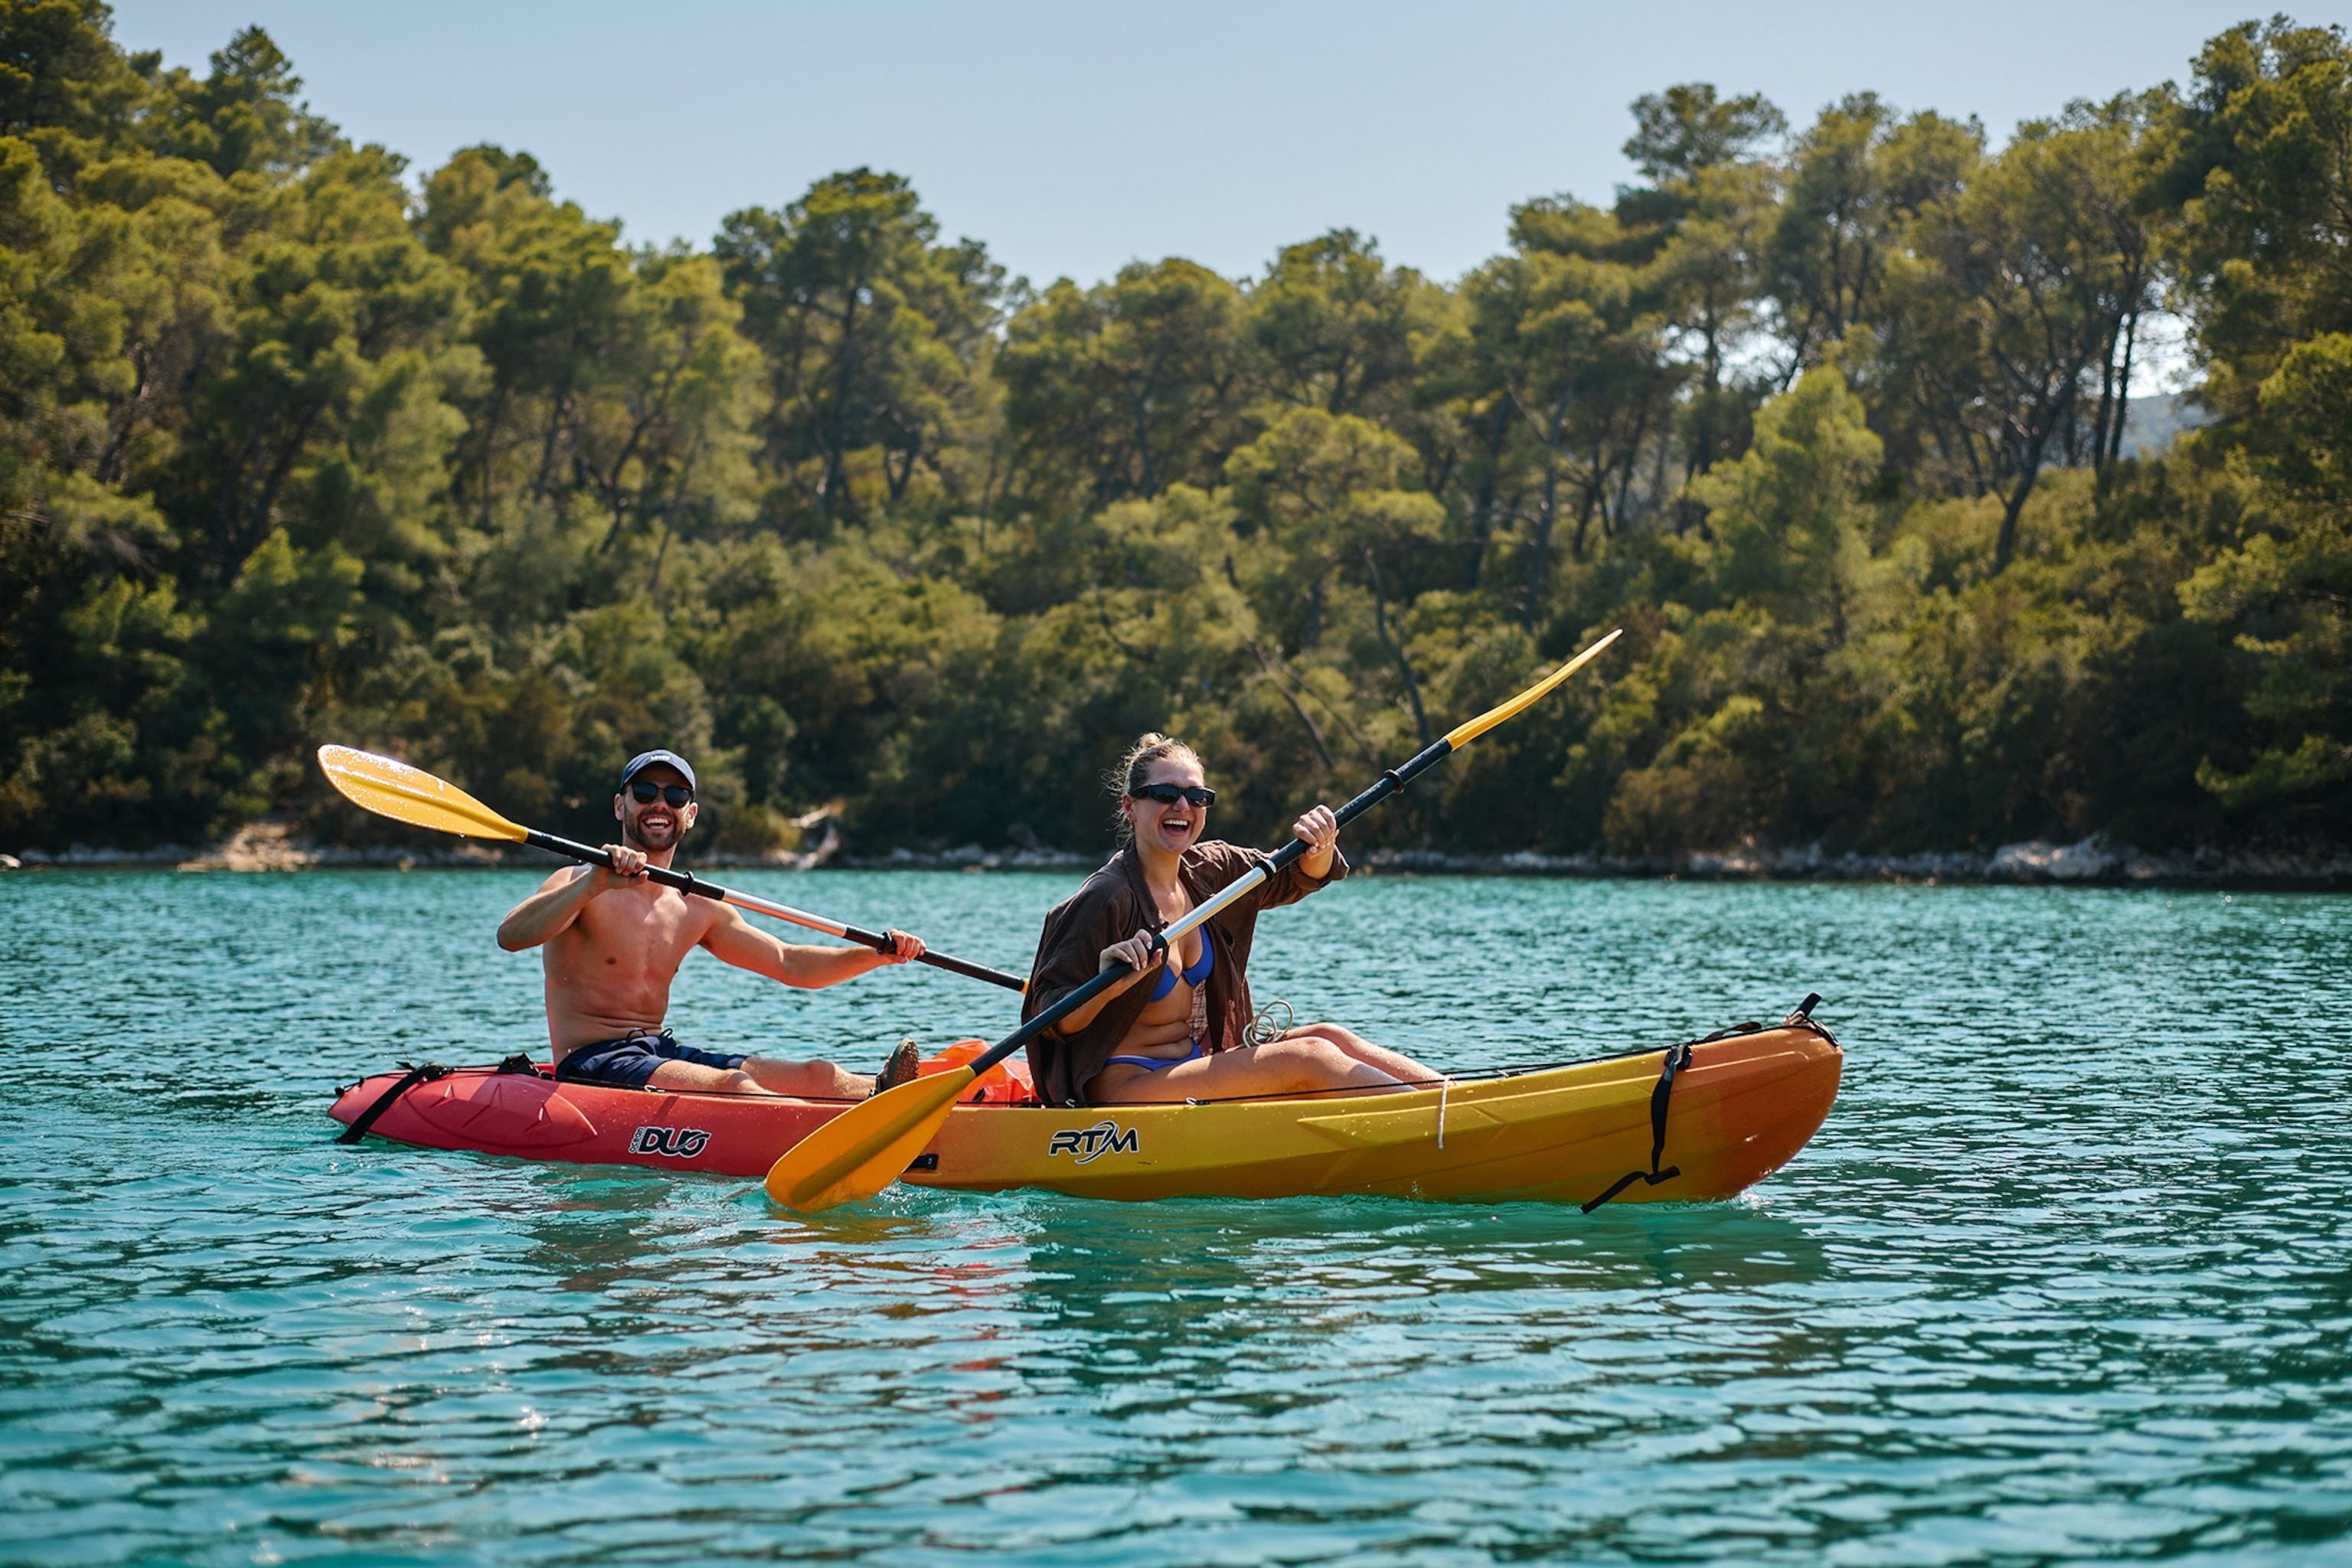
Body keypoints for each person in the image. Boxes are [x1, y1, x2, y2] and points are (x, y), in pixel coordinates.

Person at [1022, 733, 1441, 1106]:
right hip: (1127, 1085)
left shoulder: (1214, 870)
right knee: (1309, 1057)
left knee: (1331, 1038)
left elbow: (1294, 878)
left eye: (1197, 796)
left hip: (1198, 1064)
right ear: (1130, 806)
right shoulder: (1104, 898)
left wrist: (1320, 851)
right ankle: (1436, 1128)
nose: (1182, 806)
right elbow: (1052, 1019)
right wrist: (1109, 984)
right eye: (1165, 793)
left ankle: (1464, 1104)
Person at [497, 749, 925, 1097]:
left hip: (657, 1051)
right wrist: (594, 884)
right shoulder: (577, 881)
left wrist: (875, 955)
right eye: (645, 792)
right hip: (593, 1062)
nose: (660, 804)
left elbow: (789, 963)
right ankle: (817, 1131)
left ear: (692, 813)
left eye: (676, 796)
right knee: (734, 1086)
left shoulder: (696, 906)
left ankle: (887, 1100)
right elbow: (511, 936)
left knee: (820, 1075)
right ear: (619, 805)